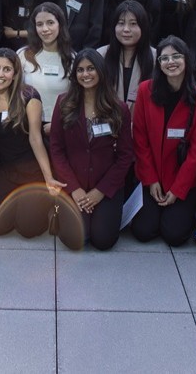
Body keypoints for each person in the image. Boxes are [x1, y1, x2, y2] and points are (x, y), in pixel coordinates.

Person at [0, 48, 64, 237]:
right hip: (6, 169)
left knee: (28, 228)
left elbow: (36, 139)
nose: (0, 74)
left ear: (15, 73)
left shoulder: (29, 97)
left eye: (6, 69)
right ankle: (21, 199)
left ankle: (48, 202)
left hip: (33, 169)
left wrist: (49, 177)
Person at [130, 37, 196, 247]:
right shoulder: (145, 91)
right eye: (164, 58)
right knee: (143, 231)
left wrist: (177, 190)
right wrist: (150, 180)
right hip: (152, 175)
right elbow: (139, 139)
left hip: (181, 178)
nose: (171, 62)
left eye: (176, 56)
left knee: (174, 236)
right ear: (158, 63)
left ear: (187, 60)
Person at [48, 50, 135, 250]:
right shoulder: (64, 103)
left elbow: (124, 156)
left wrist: (100, 192)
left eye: (90, 68)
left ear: (101, 71)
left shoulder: (118, 108)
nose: (85, 74)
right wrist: (74, 189)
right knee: (75, 239)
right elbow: (56, 149)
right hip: (74, 183)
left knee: (103, 240)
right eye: (80, 70)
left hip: (105, 185)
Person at [19, 2, 75, 123]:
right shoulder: (22, 55)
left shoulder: (73, 58)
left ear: (60, 24)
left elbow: (76, 99)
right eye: (39, 24)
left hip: (62, 124)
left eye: (50, 23)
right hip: (27, 123)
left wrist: (57, 125)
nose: (45, 29)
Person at [97, 0, 155, 108]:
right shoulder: (101, 55)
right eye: (121, 23)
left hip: (142, 121)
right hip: (108, 120)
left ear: (143, 27)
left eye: (133, 24)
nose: (126, 29)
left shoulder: (155, 57)